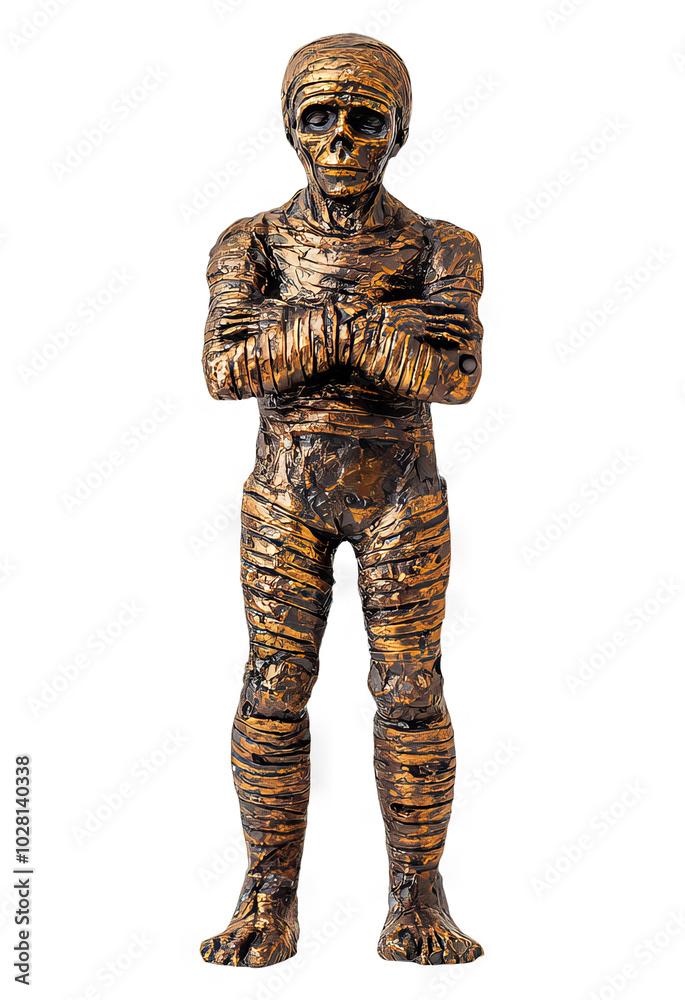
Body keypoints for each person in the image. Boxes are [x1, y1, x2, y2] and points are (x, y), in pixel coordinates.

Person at [200, 32, 484, 967]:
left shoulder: (441, 245)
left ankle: (417, 897)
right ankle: (266, 895)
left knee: (411, 691)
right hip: (285, 496)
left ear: (399, 133)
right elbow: (225, 369)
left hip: (401, 495)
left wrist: (300, 331)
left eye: (366, 121)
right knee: (273, 688)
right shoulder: (251, 242)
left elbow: (454, 375)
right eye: (318, 118)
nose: (341, 141)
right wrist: (368, 330)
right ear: (290, 128)